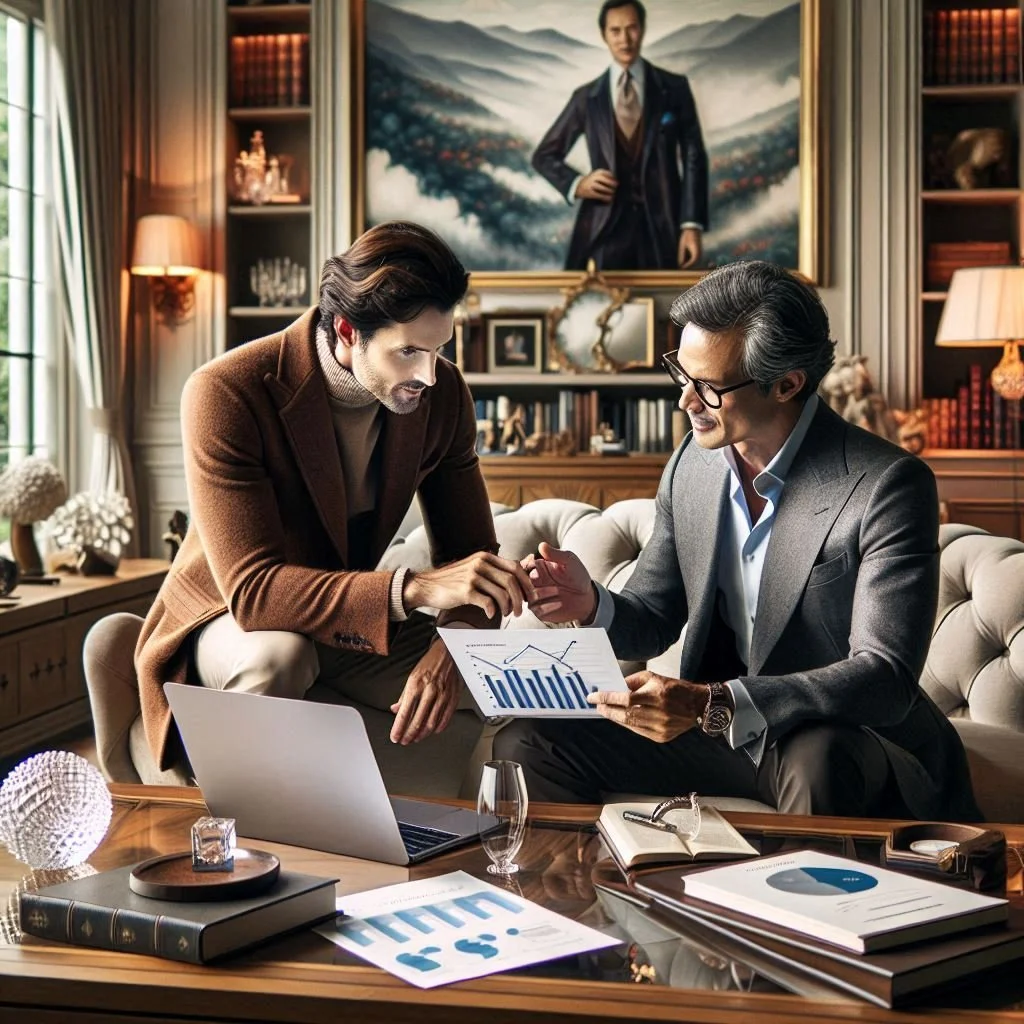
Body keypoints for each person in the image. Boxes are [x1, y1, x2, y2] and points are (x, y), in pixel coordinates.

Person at [502, 260, 981, 821]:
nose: (685, 401)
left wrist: (714, 703)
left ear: (787, 384)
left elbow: (884, 676)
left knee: (818, 760)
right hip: (718, 730)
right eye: (682, 375)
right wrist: (591, 604)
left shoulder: (888, 484)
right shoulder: (691, 464)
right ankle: (579, 880)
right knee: (528, 741)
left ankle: (790, 884)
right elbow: (653, 614)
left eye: (707, 387)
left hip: (840, 734)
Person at [134, 221, 549, 781]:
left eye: (437, 349)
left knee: (495, 680)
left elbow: (472, 554)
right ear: (349, 332)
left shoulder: (444, 392)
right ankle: (248, 824)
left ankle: (421, 822)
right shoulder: (226, 391)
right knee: (279, 657)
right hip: (228, 615)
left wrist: (452, 650)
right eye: (408, 351)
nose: (428, 376)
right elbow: (255, 593)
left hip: (342, 614)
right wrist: (417, 588)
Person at [531, 0, 708, 272]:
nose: (624, 39)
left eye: (631, 28)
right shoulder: (586, 98)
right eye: (615, 31)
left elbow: (694, 156)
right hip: (601, 231)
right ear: (604, 35)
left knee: (665, 299)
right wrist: (577, 183)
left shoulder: (674, 89)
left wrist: (691, 225)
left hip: (663, 227)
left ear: (643, 29)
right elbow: (544, 156)